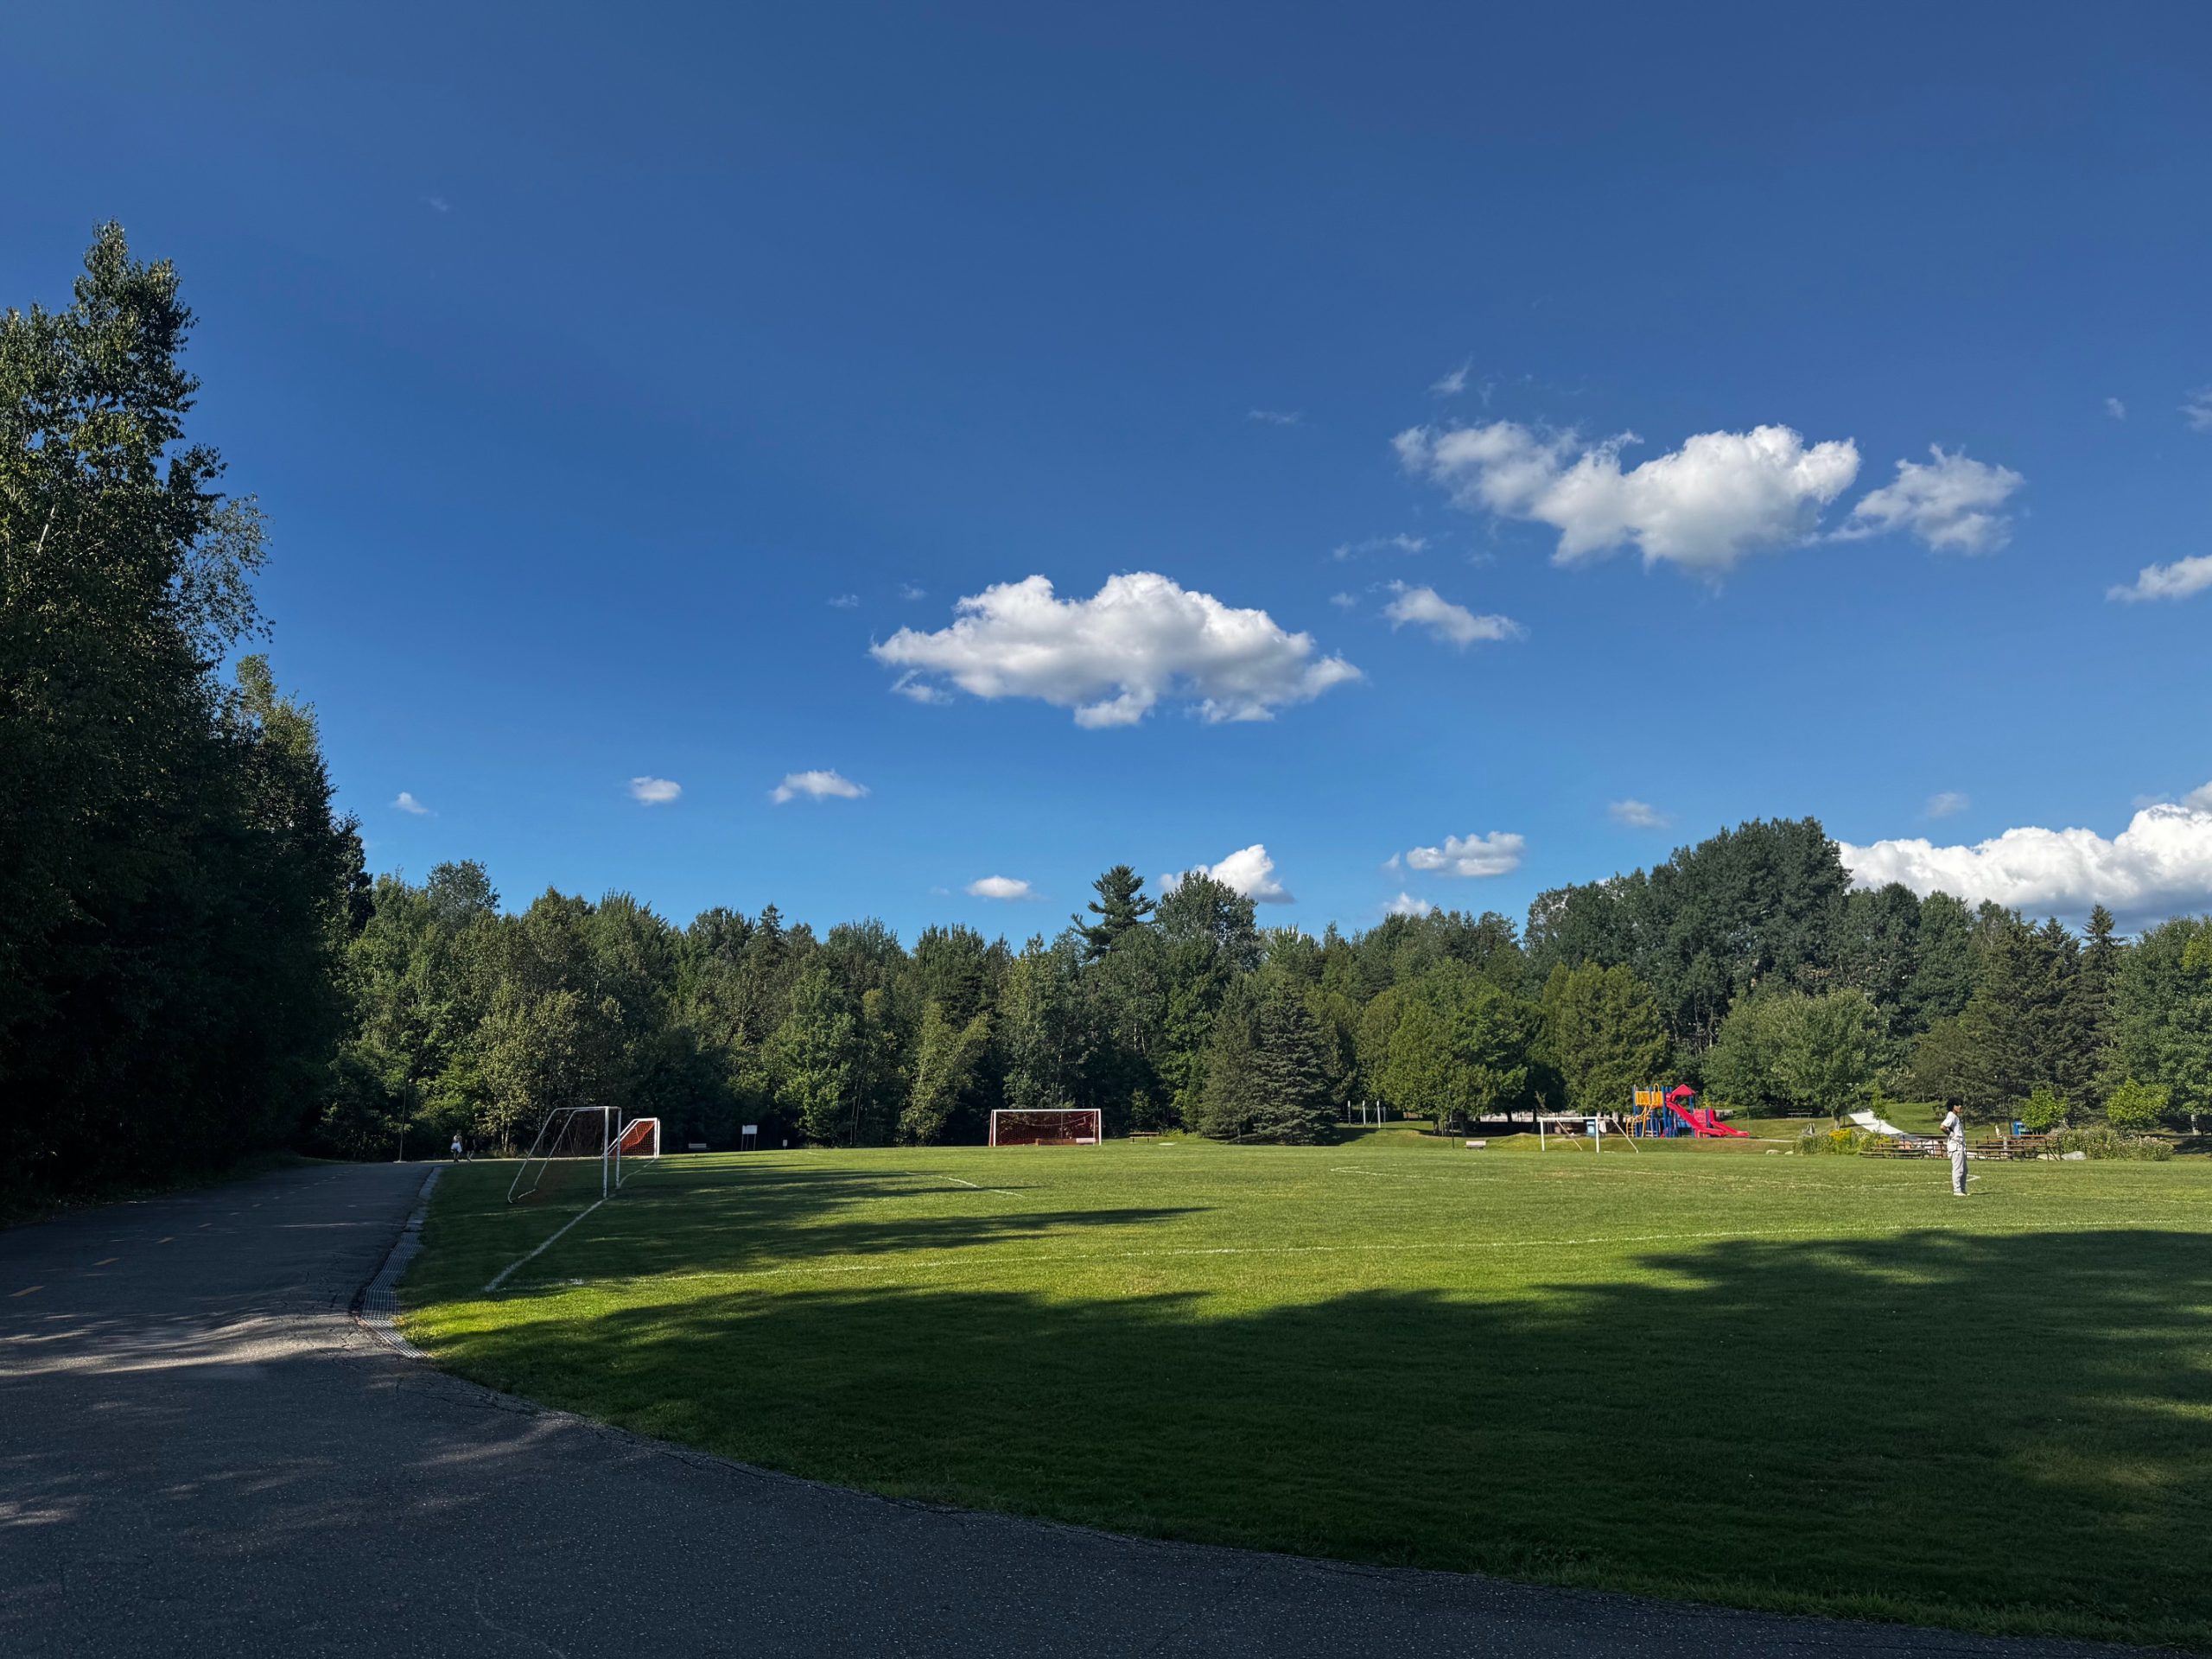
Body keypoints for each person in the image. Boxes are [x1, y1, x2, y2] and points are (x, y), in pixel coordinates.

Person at [1941, 1106, 1967, 1197]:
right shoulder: (1951, 1116)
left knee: (1964, 1170)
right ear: (1952, 1106)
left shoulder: (1956, 1117)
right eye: (1957, 1105)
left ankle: (1962, 1190)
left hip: (1960, 1145)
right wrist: (1952, 1135)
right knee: (1958, 1169)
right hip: (1956, 1146)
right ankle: (1957, 1190)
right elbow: (1943, 1127)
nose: (1960, 1106)